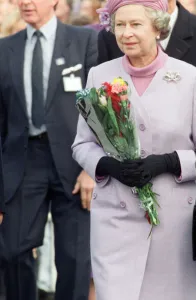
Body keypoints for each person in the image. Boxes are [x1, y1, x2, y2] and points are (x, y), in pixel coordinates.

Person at [72, 1, 196, 299]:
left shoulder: (191, 78)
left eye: (135, 25)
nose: (126, 33)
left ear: (157, 28)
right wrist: (107, 166)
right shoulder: (99, 76)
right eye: (120, 25)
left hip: (174, 225)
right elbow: (82, 144)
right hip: (115, 219)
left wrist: (169, 162)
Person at [0, 0, 98, 298]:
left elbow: (99, 108)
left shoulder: (84, 40)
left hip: (74, 160)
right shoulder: (5, 49)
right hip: (24, 160)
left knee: (74, 259)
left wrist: (91, 167)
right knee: (12, 250)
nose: (26, 3)